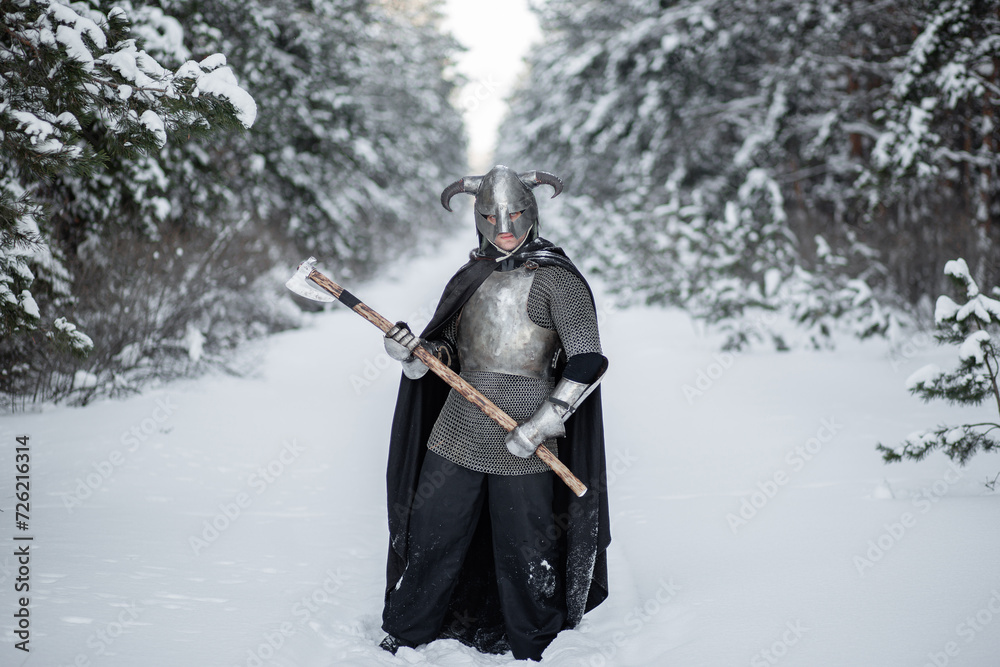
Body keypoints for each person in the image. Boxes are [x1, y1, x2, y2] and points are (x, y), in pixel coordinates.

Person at [379, 165, 610, 662]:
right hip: (459, 426)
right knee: (434, 529)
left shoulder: (556, 279)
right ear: (477, 218)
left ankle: (532, 636)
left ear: (534, 212)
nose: (504, 226)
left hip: (529, 429)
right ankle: (411, 627)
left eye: (516, 214)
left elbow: (588, 359)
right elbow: (443, 353)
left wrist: (549, 419)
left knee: (525, 541)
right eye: (490, 216)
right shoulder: (470, 276)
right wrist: (413, 356)